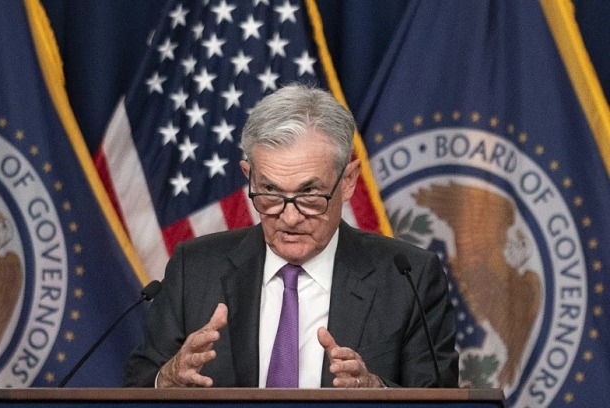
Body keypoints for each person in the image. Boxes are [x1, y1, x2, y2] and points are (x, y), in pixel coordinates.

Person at [123, 84, 458, 388]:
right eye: (270, 192)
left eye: (310, 194)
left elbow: (440, 400)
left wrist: (377, 393)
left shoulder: (408, 278)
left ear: (348, 181)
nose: (290, 216)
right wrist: (166, 378)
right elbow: (137, 383)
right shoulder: (194, 269)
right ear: (248, 177)